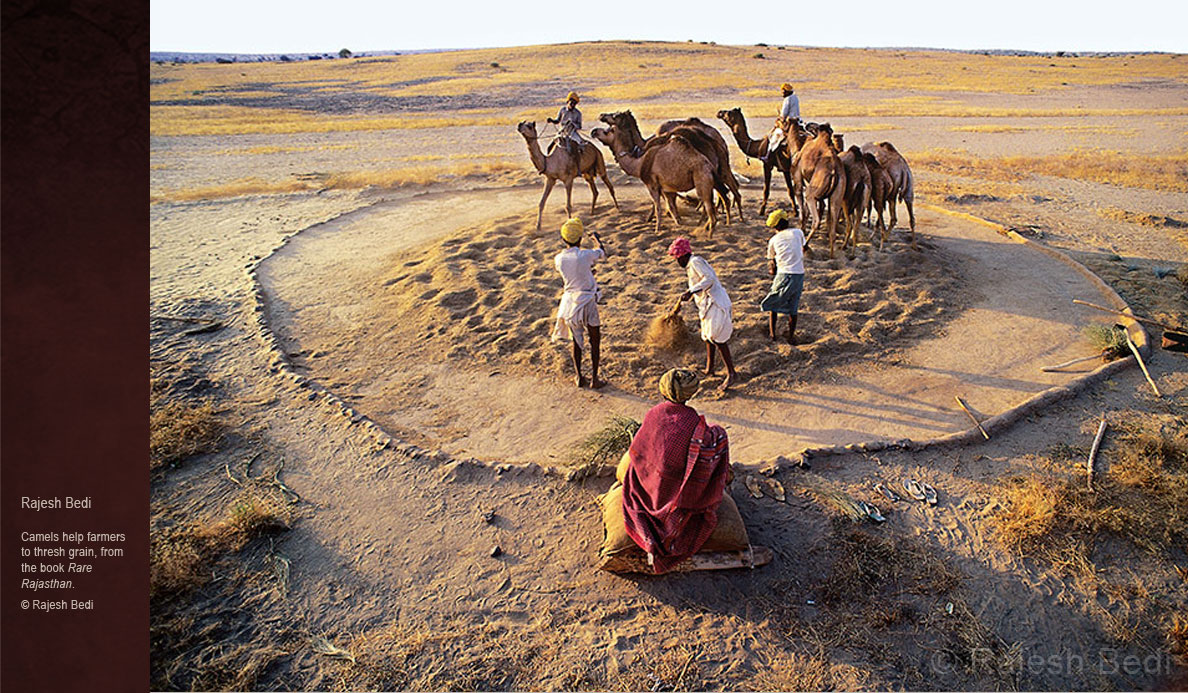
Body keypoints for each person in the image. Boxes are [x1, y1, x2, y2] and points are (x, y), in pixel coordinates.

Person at [619, 368, 732, 573]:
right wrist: (718, 435)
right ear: (691, 394)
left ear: (664, 391)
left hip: (647, 491)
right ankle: (666, 536)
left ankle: (648, 538)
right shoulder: (696, 427)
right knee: (719, 437)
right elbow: (706, 454)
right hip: (676, 499)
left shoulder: (654, 414)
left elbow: (639, 453)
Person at [668, 237, 738, 389]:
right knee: (707, 337)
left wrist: (690, 291)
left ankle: (731, 373)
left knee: (717, 338)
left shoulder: (695, 262)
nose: (677, 262)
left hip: (716, 302)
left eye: (677, 258)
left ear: (684, 255)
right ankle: (710, 368)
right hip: (706, 305)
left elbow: (710, 279)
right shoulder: (691, 266)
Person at [550, 217, 606, 388]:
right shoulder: (585, 255)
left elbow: (574, 272)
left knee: (577, 340)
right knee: (594, 339)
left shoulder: (559, 259)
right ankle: (595, 378)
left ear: (563, 239)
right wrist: (597, 239)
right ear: (580, 238)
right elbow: (601, 253)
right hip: (587, 301)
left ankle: (579, 376)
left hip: (570, 303)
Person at [761, 209, 808, 344]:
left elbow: (771, 262)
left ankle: (772, 334)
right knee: (793, 306)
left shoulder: (773, 240)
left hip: (784, 274)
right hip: (799, 274)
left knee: (773, 302)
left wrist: (772, 271)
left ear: (776, 227)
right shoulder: (798, 232)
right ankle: (791, 336)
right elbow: (804, 248)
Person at [546, 91, 585, 159]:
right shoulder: (562, 110)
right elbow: (557, 121)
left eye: (574, 103)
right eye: (571, 103)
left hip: (572, 133)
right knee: (550, 146)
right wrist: (551, 120)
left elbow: (579, 126)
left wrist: (572, 124)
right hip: (562, 131)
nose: (572, 105)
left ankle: (580, 162)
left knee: (580, 143)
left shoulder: (578, 113)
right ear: (568, 102)